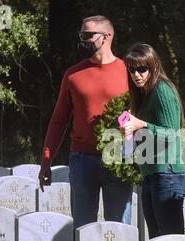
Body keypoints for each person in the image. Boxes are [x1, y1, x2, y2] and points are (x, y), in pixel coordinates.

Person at [38, 15, 132, 229]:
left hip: (118, 159)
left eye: (88, 35)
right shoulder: (73, 75)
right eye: (81, 35)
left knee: (119, 229)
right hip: (81, 160)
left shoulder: (128, 72)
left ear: (106, 37)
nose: (82, 40)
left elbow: (142, 115)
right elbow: (58, 121)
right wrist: (46, 160)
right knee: (83, 228)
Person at [122, 43, 185, 239]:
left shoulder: (162, 89)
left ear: (154, 66)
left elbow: (171, 134)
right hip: (151, 174)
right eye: (132, 69)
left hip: (167, 174)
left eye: (142, 69)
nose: (136, 74)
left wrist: (140, 124)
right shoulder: (145, 95)